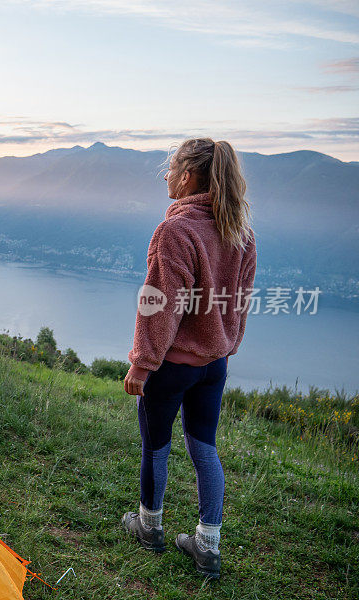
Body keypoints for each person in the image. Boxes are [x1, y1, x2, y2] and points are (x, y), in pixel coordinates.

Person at [120, 138, 257, 579]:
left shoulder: (176, 232)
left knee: (156, 446)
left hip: (172, 367)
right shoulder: (240, 231)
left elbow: (159, 306)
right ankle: (208, 545)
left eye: (171, 168)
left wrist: (142, 363)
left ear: (189, 176)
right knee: (205, 449)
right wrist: (226, 347)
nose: (166, 176)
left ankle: (149, 526)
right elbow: (240, 301)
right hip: (213, 366)